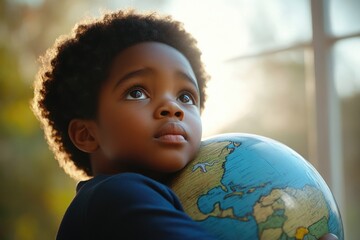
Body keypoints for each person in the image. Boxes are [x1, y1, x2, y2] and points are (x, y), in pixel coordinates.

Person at [32, 9, 339, 240]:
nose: (172, 107)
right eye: (136, 92)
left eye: (186, 96)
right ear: (86, 134)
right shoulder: (117, 196)